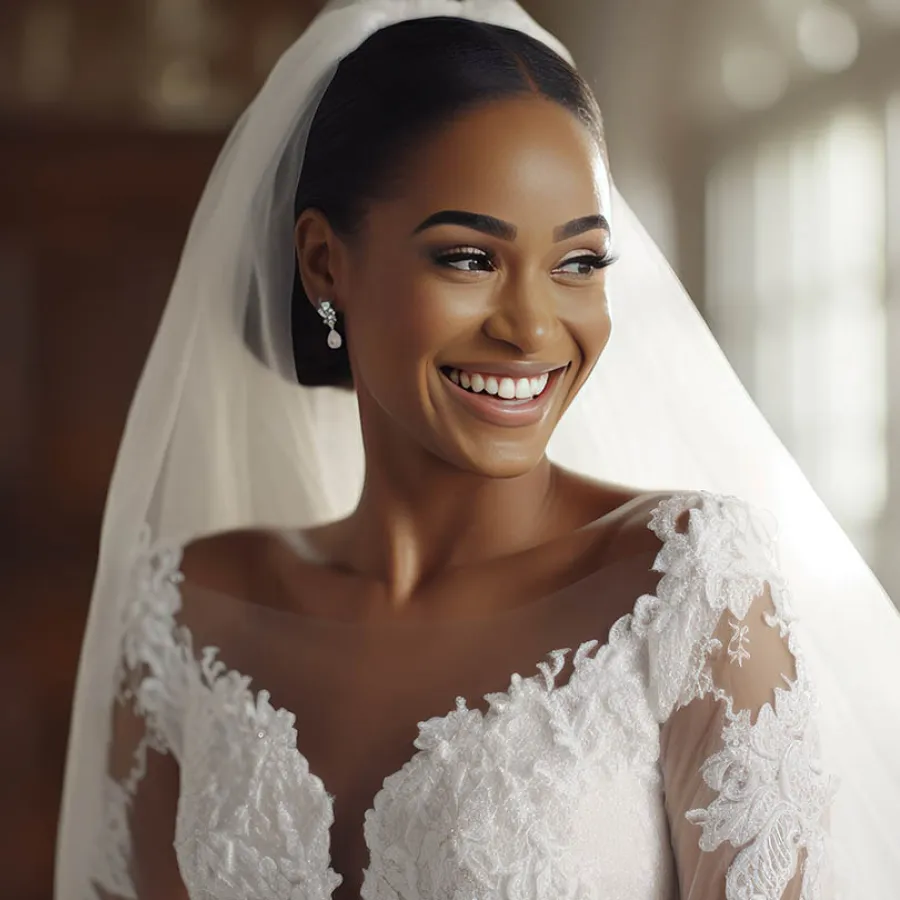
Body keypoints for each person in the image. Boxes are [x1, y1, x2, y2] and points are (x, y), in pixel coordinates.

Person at [55, 2, 900, 899]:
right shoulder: (186, 612)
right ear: (322, 262)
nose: (534, 327)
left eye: (578, 264)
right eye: (468, 258)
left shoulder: (688, 585)